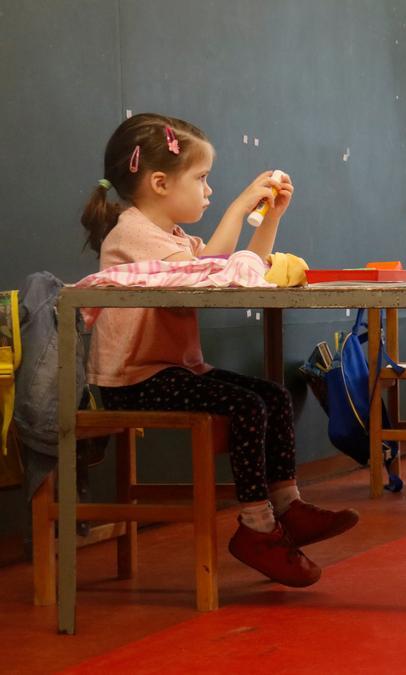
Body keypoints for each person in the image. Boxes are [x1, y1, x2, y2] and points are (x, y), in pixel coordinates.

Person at [82, 113, 358, 588]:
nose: (209, 190)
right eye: (203, 178)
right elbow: (211, 268)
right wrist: (238, 207)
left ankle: (287, 507)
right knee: (248, 405)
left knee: (270, 395)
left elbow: (224, 266)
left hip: (168, 370)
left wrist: (270, 216)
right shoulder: (132, 232)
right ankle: (257, 526)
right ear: (160, 182)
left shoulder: (171, 238)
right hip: (132, 381)